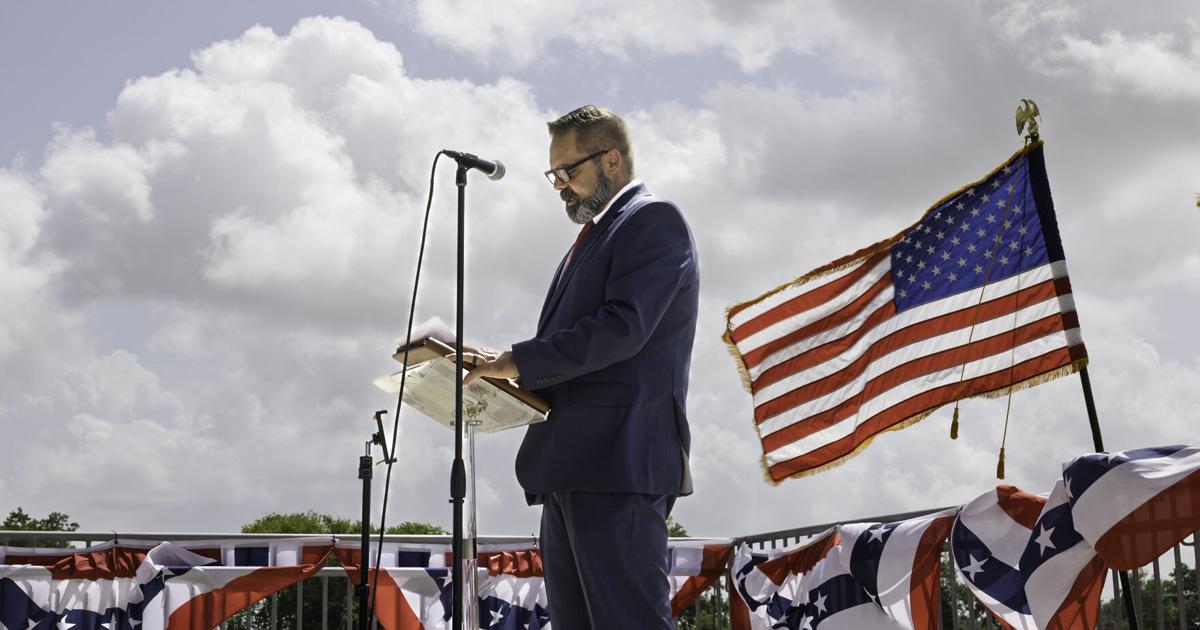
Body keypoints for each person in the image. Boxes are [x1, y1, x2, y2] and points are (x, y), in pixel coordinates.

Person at [464, 105, 699, 628]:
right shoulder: (596, 236)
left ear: (611, 159)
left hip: (620, 462)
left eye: (568, 171)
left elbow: (623, 327)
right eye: (554, 174)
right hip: (573, 465)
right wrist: (504, 374)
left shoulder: (653, 221)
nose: (559, 185)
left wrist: (519, 361)